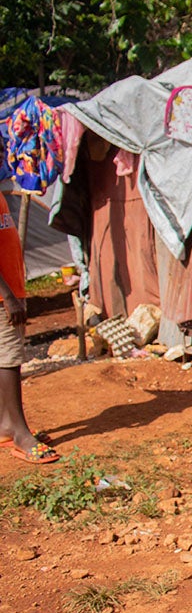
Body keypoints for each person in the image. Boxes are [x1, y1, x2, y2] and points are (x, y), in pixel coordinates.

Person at [0, 194, 59, 464]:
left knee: (4, 358)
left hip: (10, 288)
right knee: (9, 360)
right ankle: (22, 435)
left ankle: (6, 425)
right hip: (4, 295)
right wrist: (8, 296)